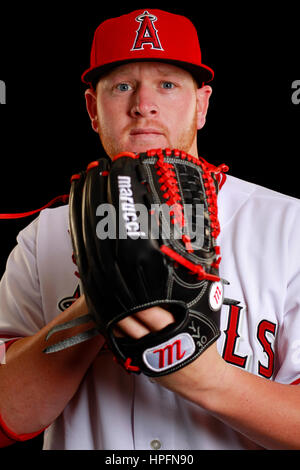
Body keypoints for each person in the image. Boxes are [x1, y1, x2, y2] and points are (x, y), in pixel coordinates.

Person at [0, 9, 299, 451]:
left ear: (201, 105)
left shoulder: (288, 225)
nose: (143, 104)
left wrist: (207, 379)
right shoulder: (45, 236)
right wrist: (95, 307)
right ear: (93, 109)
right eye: (122, 86)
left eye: (167, 84)